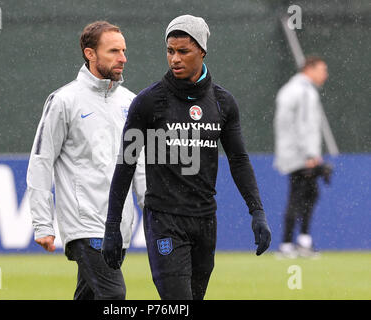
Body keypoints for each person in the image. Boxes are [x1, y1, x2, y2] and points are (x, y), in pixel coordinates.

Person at [102, 15, 271, 300]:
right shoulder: (148, 102)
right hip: (164, 220)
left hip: (205, 221)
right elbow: (126, 164)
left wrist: (257, 212)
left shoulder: (222, 102)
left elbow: (239, 160)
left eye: (183, 51)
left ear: (202, 52)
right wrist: (112, 226)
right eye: (170, 51)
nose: (175, 59)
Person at [26, 21, 146, 300]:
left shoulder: (132, 102)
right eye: (114, 51)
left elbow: (139, 164)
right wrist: (43, 223)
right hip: (86, 224)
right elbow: (41, 161)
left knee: (90, 296)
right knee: (113, 297)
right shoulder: (64, 101)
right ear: (90, 54)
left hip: (120, 225)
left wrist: (153, 210)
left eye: (124, 51)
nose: (123, 58)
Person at [273, 56, 330, 258]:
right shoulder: (304, 91)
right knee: (299, 198)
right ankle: (289, 244)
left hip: (291, 153)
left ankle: (297, 242)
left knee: (306, 196)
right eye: (322, 69)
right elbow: (303, 125)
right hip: (301, 156)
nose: (325, 74)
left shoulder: (290, 89)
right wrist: (311, 154)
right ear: (310, 69)